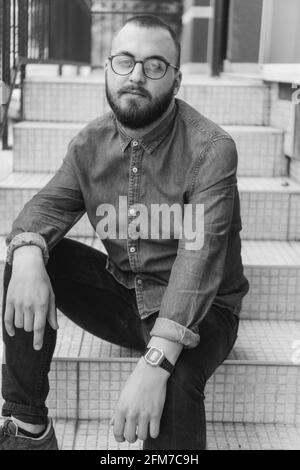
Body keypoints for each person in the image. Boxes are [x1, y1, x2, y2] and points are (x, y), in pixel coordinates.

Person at [0, 14, 249, 451]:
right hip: (125, 296)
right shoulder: (88, 146)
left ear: (176, 79)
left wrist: (156, 361)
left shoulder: (210, 149)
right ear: (108, 67)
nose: (136, 76)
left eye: (154, 65)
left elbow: (199, 259)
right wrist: (25, 252)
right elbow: (43, 209)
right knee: (31, 259)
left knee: (177, 376)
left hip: (205, 312)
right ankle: (27, 426)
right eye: (125, 61)